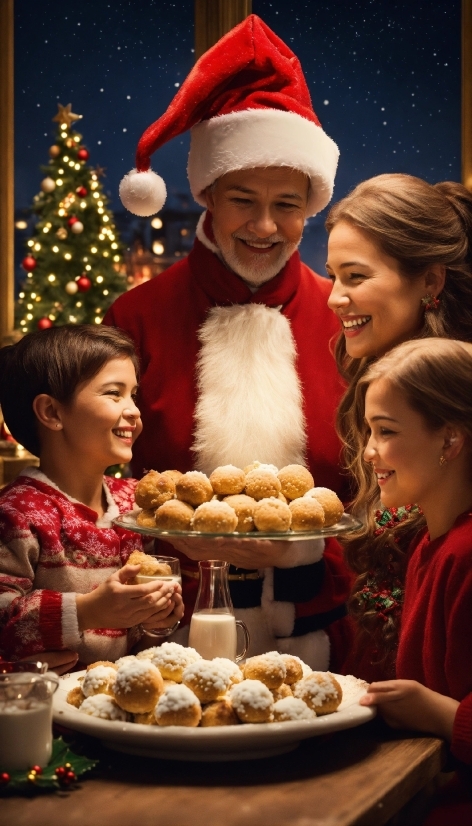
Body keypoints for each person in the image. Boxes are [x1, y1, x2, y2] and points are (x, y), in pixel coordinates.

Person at [104, 15, 351, 667]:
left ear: (313, 204)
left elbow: (389, 495)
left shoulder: (347, 320)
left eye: (289, 204)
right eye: (243, 200)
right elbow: (98, 481)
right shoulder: (135, 317)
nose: (266, 226)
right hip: (163, 634)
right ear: (207, 191)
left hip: (329, 635)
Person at [324, 173, 472, 680]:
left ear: (430, 281)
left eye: (356, 277)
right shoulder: (375, 385)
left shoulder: (457, 398)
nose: (334, 298)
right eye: (333, 276)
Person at [0, 325, 183, 670]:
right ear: (52, 413)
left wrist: (157, 621)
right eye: (114, 394)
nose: (133, 411)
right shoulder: (18, 513)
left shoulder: (134, 507)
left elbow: (139, 639)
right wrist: (89, 612)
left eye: (133, 394)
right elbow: (5, 619)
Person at [351, 338, 472, 822]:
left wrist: (441, 715)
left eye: (385, 431)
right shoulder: (430, 544)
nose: (368, 452)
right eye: (368, 431)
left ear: (450, 440)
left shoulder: (465, 553)